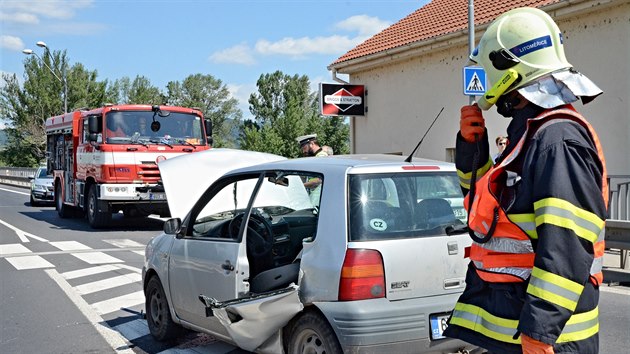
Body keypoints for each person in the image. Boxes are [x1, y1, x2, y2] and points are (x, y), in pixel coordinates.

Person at [444, 7, 607, 354]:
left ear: (509, 67)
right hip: (515, 331)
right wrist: (470, 149)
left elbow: (566, 244)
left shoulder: (557, 139)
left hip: (549, 341)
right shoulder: (530, 134)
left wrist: (540, 331)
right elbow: (484, 212)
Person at [296, 134, 328, 206]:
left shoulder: (320, 157)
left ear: (311, 143)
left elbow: (318, 181)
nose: (303, 151)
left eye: (304, 148)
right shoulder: (316, 157)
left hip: (317, 201)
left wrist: (300, 186)